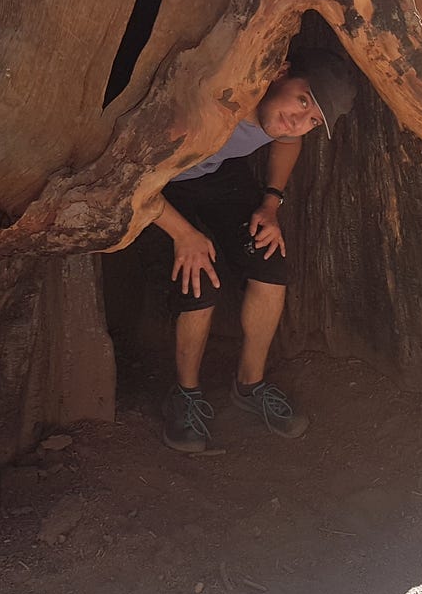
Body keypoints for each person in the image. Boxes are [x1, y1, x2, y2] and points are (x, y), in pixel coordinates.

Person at [152, 49, 355, 453]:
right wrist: (183, 235)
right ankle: (185, 394)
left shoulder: (281, 120)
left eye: (313, 119)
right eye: (302, 100)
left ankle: (249, 384)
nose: (298, 122)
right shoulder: (213, 102)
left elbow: (288, 141)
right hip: (161, 186)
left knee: (269, 262)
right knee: (199, 277)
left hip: (218, 176)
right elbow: (131, 180)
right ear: (280, 74)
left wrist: (271, 201)